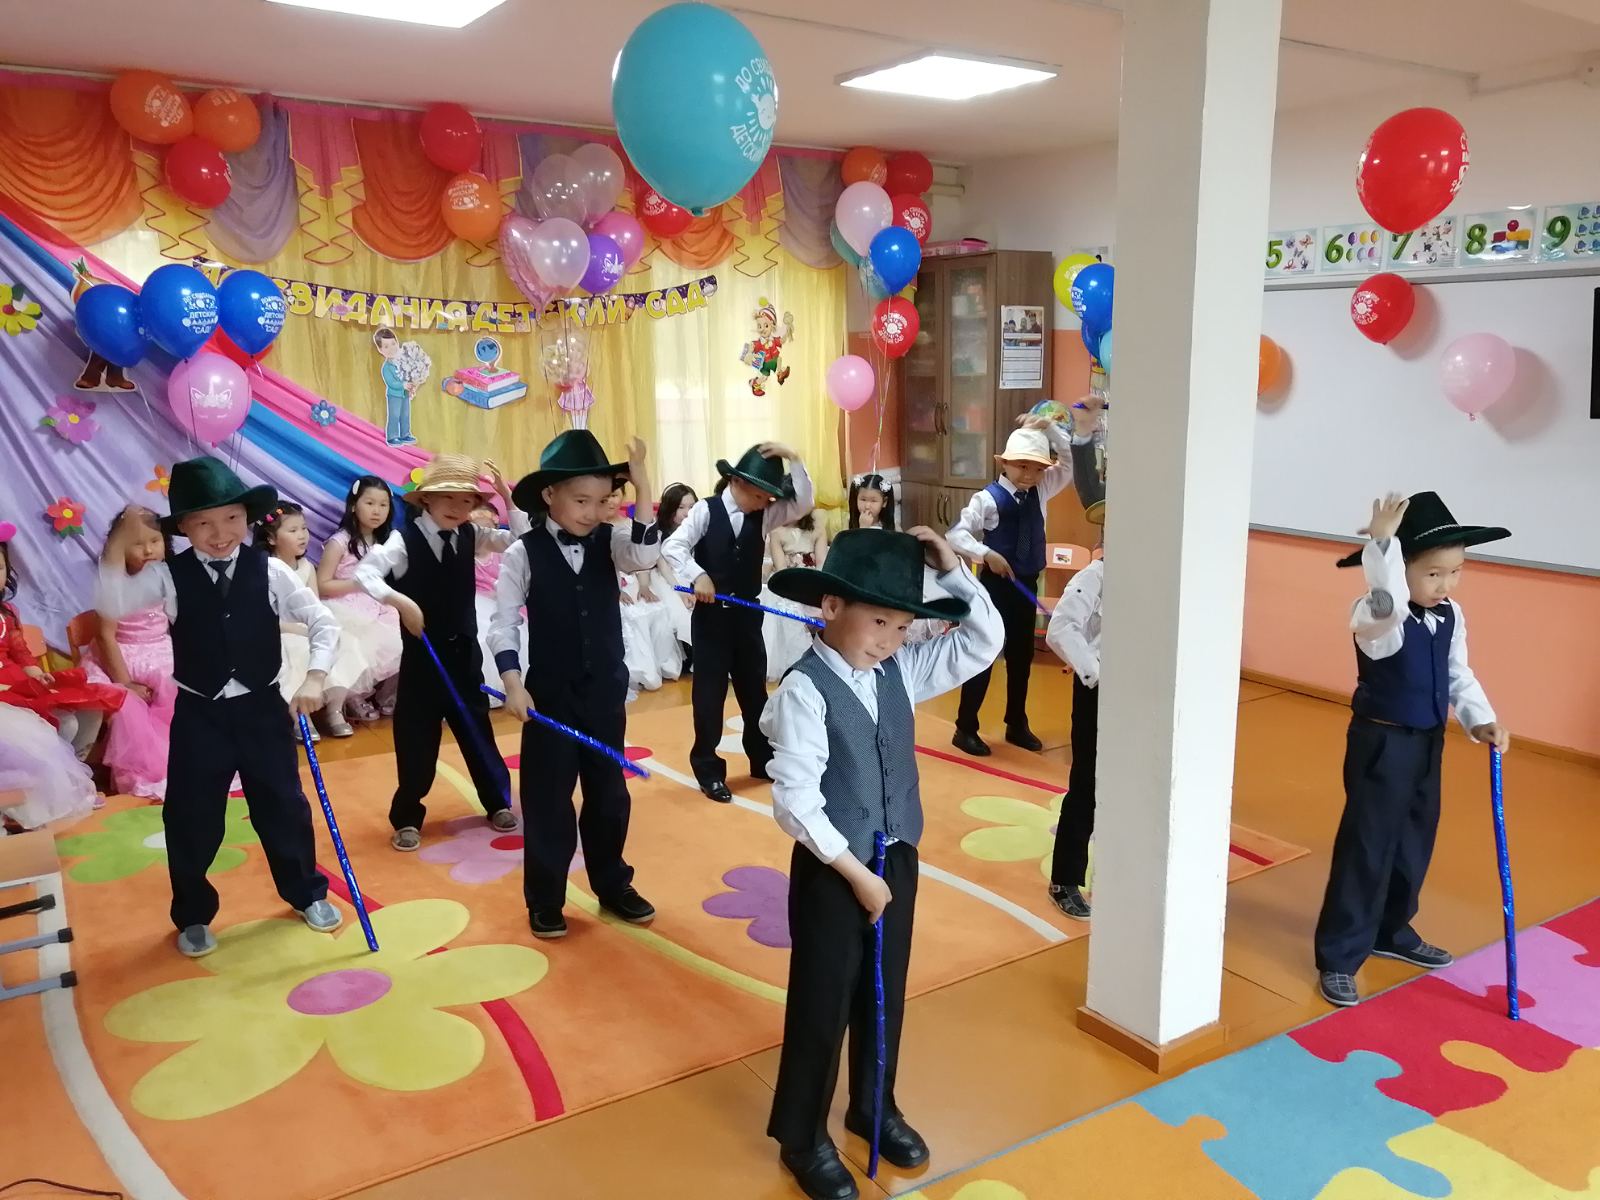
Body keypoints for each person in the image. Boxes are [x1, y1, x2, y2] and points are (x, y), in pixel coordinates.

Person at [759, 527, 1003, 1200]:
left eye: (902, 626)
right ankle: (802, 1135)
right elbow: (795, 802)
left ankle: (873, 1106)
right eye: (878, 622)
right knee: (823, 1000)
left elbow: (983, 640)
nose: (891, 640)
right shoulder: (804, 691)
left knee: (883, 992)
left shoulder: (900, 671)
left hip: (896, 857)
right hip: (833, 869)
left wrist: (952, 570)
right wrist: (857, 876)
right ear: (831, 606)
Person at [97, 457, 341, 957]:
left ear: (248, 518)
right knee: (191, 815)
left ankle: (305, 891)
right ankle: (192, 913)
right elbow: (112, 602)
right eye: (203, 522)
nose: (220, 532)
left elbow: (323, 623)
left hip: (262, 711)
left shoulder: (271, 570)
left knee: (283, 806)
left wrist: (316, 675)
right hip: (199, 716)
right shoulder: (167, 577)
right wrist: (121, 540)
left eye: (231, 518)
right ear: (183, 529)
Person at [1314, 492, 1512, 1008]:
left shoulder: (1450, 615)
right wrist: (1383, 546)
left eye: (1456, 571)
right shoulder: (1378, 613)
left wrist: (1481, 719)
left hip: (1427, 742)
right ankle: (1340, 955)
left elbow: (1457, 673)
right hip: (1381, 743)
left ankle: (1391, 929)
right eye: (1433, 574)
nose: (1446, 584)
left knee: (1413, 841)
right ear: (1402, 571)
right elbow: (1389, 602)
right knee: (1368, 846)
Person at [491, 430, 662, 940]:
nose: (592, 512)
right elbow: (503, 624)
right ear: (549, 494)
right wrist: (513, 683)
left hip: (605, 691)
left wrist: (642, 483)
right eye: (581, 500)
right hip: (550, 697)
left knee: (609, 796)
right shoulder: (523, 553)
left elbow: (646, 555)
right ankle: (546, 898)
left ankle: (613, 884)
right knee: (548, 800)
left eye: (602, 500)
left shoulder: (613, 541)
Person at [355, 455, 525, 851]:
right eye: (447, 497)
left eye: (466, 500)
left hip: (464, 657)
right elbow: (365, 573)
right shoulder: (403, 540)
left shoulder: (472, 534)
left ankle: (497, 802)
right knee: (416, 741)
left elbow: (520, 541)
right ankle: (407, 817)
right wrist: (400, 601)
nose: (457, 507)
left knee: (477, 731)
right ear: (427, 499)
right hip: (423, 662)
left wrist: (506, 497)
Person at [663, 444, 813, 802]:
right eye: (758, 495)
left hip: (747, 618)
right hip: (711, 621)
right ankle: (708, 769)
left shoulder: (765, 515)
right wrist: (698, 575)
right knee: (709, 697)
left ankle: (761, 758)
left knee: (754, 694)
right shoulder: (705, 510)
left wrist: (794, 458)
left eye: (768, 498)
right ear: (736, 482)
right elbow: (673, 547)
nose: (763, 503)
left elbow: (803, 502)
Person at [946, 413, 1079, 757]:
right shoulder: (987, 499)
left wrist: (1049, 428)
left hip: (1027, 585)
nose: (1029, 474)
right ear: (1003, 463)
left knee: (1022, 656)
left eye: (1037, 468)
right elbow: (956, 534)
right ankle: (965, 727)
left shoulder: (1041, 490)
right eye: (1022, 466)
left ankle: (1016, 722)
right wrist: (986, 553)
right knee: (985, 653)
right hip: (995, 587)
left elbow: (1069, 463)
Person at [80, 506, 177, 800]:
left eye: (155, 541)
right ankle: (143, 771)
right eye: (137, 543)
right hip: (120, 655)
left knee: (181, 689)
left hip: (160, 651)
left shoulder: (167, 575)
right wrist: (125, 683)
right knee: (126, 706)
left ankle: (184, 762)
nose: (148, 550)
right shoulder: (114, 581)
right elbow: (105, 636)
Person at [0, 529, 122, 760]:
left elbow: (21, 653)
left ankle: (77, 773)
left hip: (19, 683)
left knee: (91, 711)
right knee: (65, 723)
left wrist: (38, 676)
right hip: (3, 693)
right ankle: (50, 775)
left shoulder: (7, 613)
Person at [253, 502, 369, 739]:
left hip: (306, 628)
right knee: (294, 652)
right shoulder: (264, 569)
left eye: (304, 528)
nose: (302, 535)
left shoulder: (306, 567)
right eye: (293, 530)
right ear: (271, 538)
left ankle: (335, 710)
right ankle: (299, 716)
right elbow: (265, 616)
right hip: (279, 632)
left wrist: (313, 629)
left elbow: (315, 607)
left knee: (345, 645)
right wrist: (298, 631)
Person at [1043, 538, 1104, 921]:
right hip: (1098, 691)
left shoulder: (1151, 578)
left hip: (1139, 695)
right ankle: (1064, 879)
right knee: (1088, 784)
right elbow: (1061, 628)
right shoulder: (1095, 576)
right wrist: (1094, 672)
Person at [318, 476, 403, 725]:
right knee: (353, 647)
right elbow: (322, 584)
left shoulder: (383, 541)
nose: (377, 511)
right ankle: (342, 704)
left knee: (397, 642)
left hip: (376, 605)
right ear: (354, 505)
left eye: (383, 505)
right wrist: (358, 585)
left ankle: (373, 697)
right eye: (370, 503)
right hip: (343, 606)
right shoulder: (340, 541)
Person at [609, 482, 682, 693]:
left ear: (623, 497)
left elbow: (642, 562)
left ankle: (662, 665)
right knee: (631, 614)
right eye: (606, 497)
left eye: (615, 495)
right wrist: (615, 591)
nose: (611, 501)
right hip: (611, 584)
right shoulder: (593, 528)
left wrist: (644, 586)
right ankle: (638, 671)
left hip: (635, 579)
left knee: (655, 608)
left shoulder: (632, 525)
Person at [762, 495, 829, 681]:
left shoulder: (817, 528)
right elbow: (781, 570)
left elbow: (822, 563)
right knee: (787, 607)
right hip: (788, 585)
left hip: (814, 581)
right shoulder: (776, 532)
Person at [469, 500, 528, 709]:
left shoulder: (502, 554)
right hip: (476, 604)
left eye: (486, 529)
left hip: (500, 602)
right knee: (481, 635)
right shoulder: (464, 555)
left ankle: (510, 684)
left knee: (515, 632)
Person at [641, 482, 699, 658]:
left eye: (692, 507)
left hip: (693, 577)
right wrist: (681, 592)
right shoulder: (658, 533)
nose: (687, 513)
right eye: (681, 507)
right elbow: (664, 568)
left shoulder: (700, 531)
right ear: (670, 508)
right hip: (667, 578)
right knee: (677, 609)